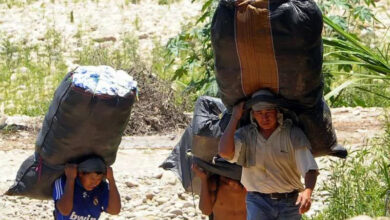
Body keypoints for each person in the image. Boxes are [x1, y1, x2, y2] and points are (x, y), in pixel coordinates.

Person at [219, 89, 319, 220]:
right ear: (253, 115)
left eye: (268, 112)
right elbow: (224, 153)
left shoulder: (292, 134)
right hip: (257, 201)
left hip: (289, 203)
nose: (264, 117)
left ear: (277, 112)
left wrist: (307, 192)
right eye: (259, 113)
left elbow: (310, 169)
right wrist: (235, 117)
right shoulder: (245, 135)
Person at [52, 156, 121, 220]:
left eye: (99, 179)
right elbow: (65, 210)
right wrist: (70, 179)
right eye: (92, 178)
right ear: (81, 174)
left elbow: (115, 211)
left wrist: (111, 180)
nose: (95, 183)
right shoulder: (64, 182)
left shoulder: (102, 187)